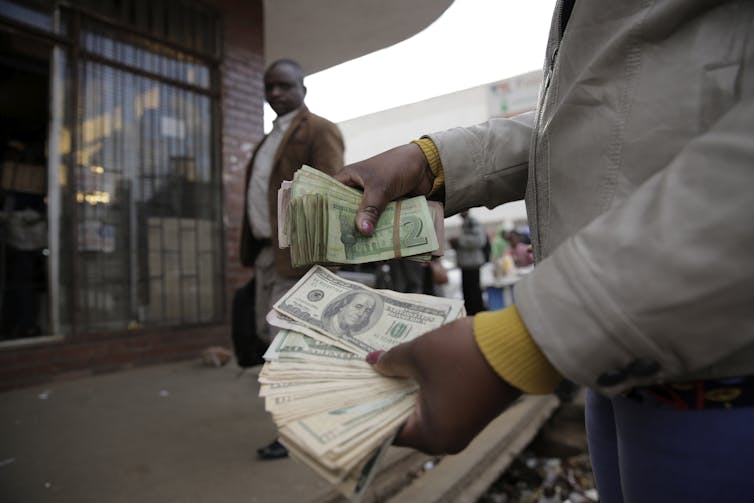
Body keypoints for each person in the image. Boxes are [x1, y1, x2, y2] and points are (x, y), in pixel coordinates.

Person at [335, 2, 754, 500]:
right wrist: (435, 161)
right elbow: (597, 118)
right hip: (617, 362)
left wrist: (524, 341)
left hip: (721, 371)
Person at [239, 58, 344, 460]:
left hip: (299, 259)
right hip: (268, 256)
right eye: (269, 87)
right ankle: (307, 419)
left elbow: (332, 193)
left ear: (303, 88)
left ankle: (297, 430)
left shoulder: (319, 130)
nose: (275, 93)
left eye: (284, 85)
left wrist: (323, 264)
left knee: (291, 346)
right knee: (273, 342)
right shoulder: (271, 137)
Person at [454, 211, 487, 315]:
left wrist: (459, 241)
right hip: (466, 265)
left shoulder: (472, 222)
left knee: (474, 293)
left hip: (472, 264)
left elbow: (480, 240)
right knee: (468, 293)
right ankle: (472, 314)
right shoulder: (466, 223)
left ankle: (477, 315)